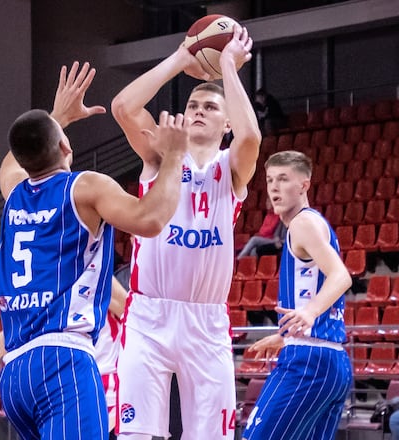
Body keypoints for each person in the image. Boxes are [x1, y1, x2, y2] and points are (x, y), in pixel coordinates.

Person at [0, 61, 189, 440]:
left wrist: (57, 116)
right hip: (62, 361)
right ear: (66, 146)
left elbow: (12, 162)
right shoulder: (84, 187)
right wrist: (174, 157)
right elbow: (149, 220)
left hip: (15, 371)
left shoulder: (13, 193)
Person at [110, 23, 261, 440]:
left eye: (210, 108)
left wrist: (228, 67)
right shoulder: (162, 155)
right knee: (135, 434)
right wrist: (182, 56)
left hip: (206, 321)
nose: (197, 110)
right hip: (148, 316)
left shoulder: (230, 167)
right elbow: (123, 106)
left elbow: (251, 136)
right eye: (193, 104)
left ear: (225, 123)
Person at [240, 150, 353, 440]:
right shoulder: (312, 223)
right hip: (331, 361)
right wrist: (286, 334)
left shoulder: (303, 224)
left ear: (304, 185)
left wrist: (309, 312)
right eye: (269, 180)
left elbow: (341, 276)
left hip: (309, 362)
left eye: (283, 179)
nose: (274, 187)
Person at [0, 276, 128, 437]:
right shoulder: (49, 292)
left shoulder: (97, 280)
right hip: (62, 389)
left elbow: (130, 309)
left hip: (104, 391)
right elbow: (12, 333)